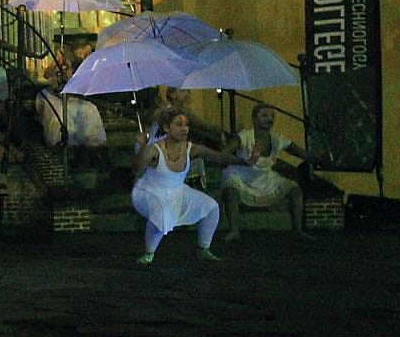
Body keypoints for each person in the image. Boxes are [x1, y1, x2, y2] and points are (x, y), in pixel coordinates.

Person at [131, 112, 246, 264]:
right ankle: (149, 253)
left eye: (186, 125)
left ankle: (203, 249)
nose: (184, 129)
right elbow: (136, 168)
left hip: (178, 191)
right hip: (148, 192)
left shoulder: (191, 148)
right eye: (179, 125)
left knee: (211, 207)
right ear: (166, 127)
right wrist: (143, 147)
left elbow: (219, 157)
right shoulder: (154, 150)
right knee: (161, 211)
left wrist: (246, 161)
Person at [221, 103, 312, 241]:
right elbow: (225, 152)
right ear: (254, 119)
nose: (269, 119)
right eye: (264, 116)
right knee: (231, 192)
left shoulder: (277, 139)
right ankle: (234, 231)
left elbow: (300, 153)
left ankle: (297, 230)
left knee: (295, 190)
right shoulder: (245, 136)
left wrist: (320, 160)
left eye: (272, 116)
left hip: (266, 178)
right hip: (241, 176)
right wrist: (233, 153)